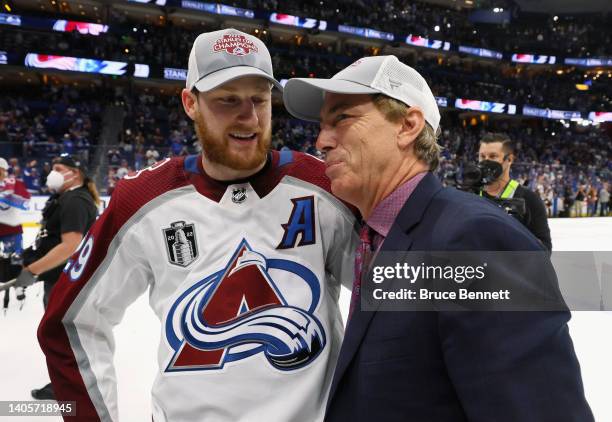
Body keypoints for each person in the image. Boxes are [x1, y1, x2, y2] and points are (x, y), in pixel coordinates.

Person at [38, 29, 357, 422]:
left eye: (259, 99)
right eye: (228, 100)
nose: (250, 117)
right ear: (190, 102)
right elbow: (70, 322)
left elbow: (394, 292)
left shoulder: (323, 185)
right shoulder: (141, 199)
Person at [283, 55, 594, 422]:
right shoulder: (382, 235)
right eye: (321, 126)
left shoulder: (473, 238)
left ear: (407, 126)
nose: (321, 141)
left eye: (342, 119)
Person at [15, 154, 99, 400]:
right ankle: (67, 383)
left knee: (61, 334)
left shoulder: (75, 200)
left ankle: (67, 387)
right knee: (61, 333)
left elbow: (70, 245)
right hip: (62, 279)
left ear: (76, 173)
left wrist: (32, 270)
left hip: (67, 280)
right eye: (52, 167)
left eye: (59, 168)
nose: (53, 172)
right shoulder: (67, 199)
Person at [478, 133, 552, 250]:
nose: (486, 161)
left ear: (509, 159)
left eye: (493, 156)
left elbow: (545, 250)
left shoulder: (529, 199)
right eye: (482, 156)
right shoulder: (469, 195)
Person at [0, 157, 31, 311]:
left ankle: (19, 285)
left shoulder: (15, 183)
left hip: (12, 229)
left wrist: (11, 197)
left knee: (16, 258)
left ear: (5, 170)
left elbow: (26, 202)